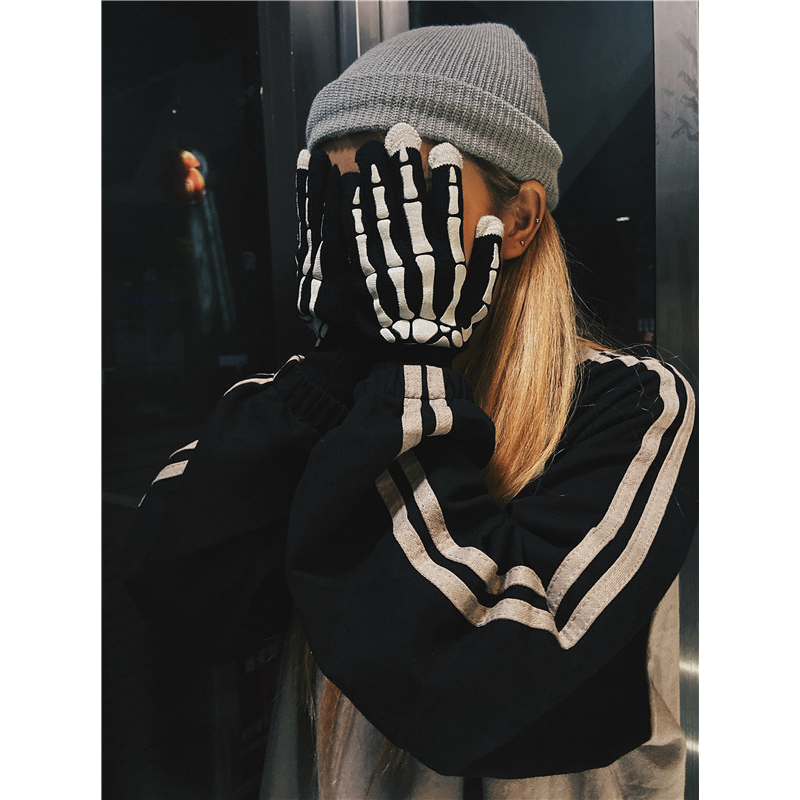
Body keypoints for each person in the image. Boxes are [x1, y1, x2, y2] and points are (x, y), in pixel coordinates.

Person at [122, 22, 699, 800]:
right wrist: (338, 366)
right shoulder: (316, 401)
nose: (373, 235)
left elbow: (481, 686)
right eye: (347, 201)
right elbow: (180, 586)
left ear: (521, 220)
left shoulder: (630, 401)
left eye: (408, 194)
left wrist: (413, 368)